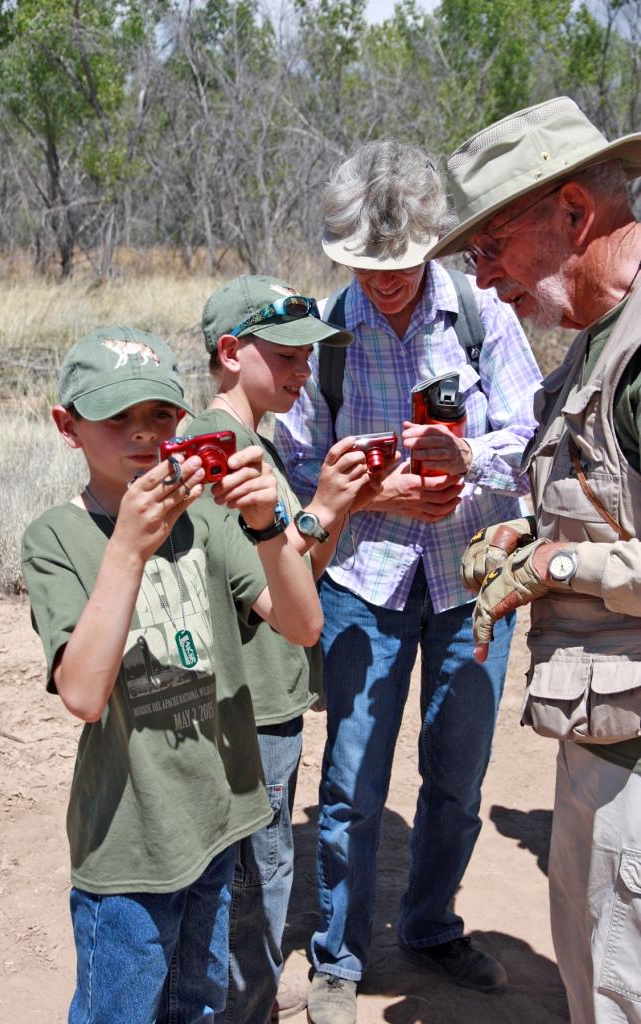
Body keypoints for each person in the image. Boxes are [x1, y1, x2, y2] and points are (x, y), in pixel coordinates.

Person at [273, 141, 542, 1023]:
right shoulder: (323, 337)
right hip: (362, 580)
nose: (384, 286)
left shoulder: (480, 316)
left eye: (400, 269)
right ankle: (339, 958)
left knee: (457, 773)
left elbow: (529, 435)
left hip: (469, 581)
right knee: (351, 780)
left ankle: (430, 926)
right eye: (364, 270)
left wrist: (465, 460)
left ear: (434, 247)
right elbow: (297, 458)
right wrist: (372, 491)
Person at [21, 325, 323, 1024]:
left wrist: (268, 522)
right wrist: (126, 547)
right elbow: (84, 694)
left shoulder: (209, 520)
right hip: (129, 841)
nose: (143, 436)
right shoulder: (56, 538)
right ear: (68, 427)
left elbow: (301, 625)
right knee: (120, 1009)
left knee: (198, 1004)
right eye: (116, 419)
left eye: (159, 416)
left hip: (215, 818)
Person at [427, 96, 641, 1024]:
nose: (484, 283)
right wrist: (530, 535)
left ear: (572, 214)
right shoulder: (600, 346)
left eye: (491, 249)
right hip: (608, 746)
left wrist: (558, 569)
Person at [190, 274, 378, 1024]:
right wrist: (327, 506)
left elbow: (295, 577)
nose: (304, 372)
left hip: (268, 694)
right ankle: (246, 1004)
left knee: (260, 865)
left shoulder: (252, 446)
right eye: (287, 356)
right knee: (253, 873)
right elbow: (265, 596)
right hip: (249, 699)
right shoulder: (223, 457)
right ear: (231, 352)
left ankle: (253, 992)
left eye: (309, 357)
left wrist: (330, 508)